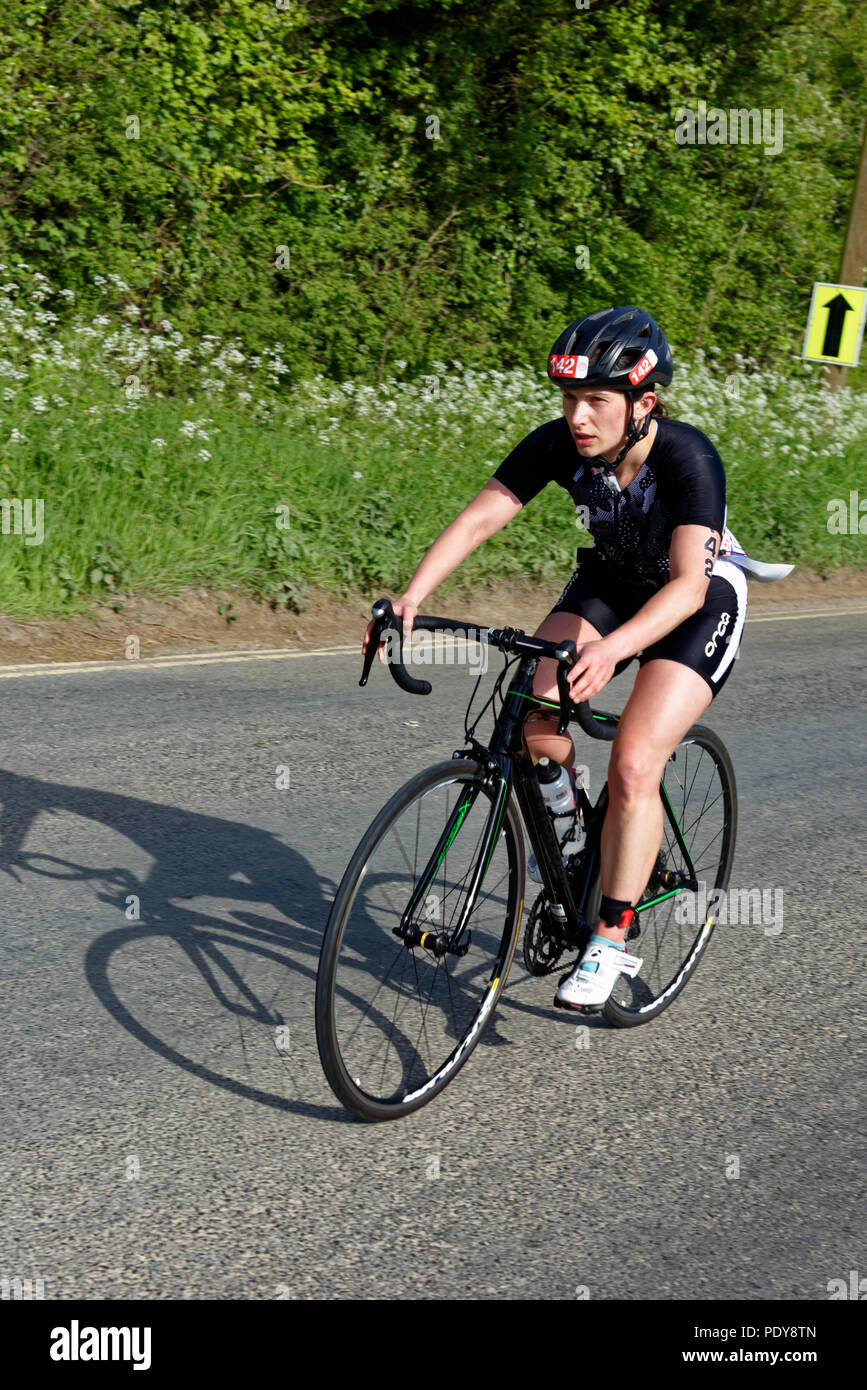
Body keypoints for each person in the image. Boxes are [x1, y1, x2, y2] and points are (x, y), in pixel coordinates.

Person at [362, 305, 787, 1014]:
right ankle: (573, 828)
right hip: (612, 584)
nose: (578, 417)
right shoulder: (561, 443)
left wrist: (613, 650)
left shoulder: (686, 457)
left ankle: (610, 939)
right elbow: (482, 515)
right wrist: (409, 597)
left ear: (642, 404)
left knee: (632, 764)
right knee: (531, 721)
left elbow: (687, 586)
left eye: (596, 400)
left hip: (695, 603)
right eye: (568, 399)